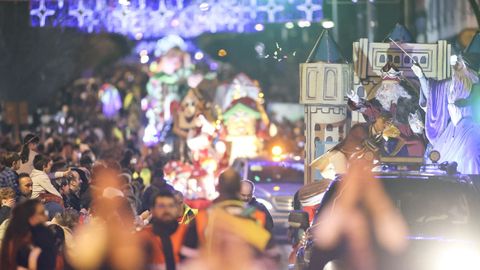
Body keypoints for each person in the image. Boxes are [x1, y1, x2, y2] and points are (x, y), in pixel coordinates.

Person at [411, 55, 480, 174]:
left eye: (458, 63)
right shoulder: (450, 83)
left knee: (470, 157)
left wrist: (467, 102)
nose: (455, 66)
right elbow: (432, 95)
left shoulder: (475, 83)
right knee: (437, 159)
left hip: (471, 127)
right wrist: (421, 76)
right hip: (452, 129)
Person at [182, 168, 271, 258]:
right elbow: (271, 254)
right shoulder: (257, 216)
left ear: (217, 188)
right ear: (239, 189)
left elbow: (188, 255)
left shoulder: (202, 216)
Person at [348, 62, 425, 157]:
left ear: (397, 88)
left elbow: (420, 122)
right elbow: (368, 109)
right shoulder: (378, 103)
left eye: (388, 86)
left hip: (407, 139)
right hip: (385, 138)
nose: (385, 89)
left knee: (418, 145)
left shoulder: (410, 101)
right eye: (384, 86)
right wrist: (356, 100)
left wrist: (417, 124)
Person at [138, 191, 188, 270]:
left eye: (171, 206)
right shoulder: (143, 237)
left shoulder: (187, 232)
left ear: (176, 209)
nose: (166, 210)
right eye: (161, 206)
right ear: (152, 210)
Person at [0, 199, 56, 270]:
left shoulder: (42, 237)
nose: (46, 217)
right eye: (42, 213)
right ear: (31, 218)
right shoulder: (16, 245)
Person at [30, 155, 64, 219]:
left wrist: (63, 174)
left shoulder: (35, 173)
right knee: (58, 200)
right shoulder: (42, 177)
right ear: (44, 167)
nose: (51, 168)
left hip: (35, 199)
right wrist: (61, 200)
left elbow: (51, 175)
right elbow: (53, 190)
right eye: (50, 165)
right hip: (38, 200)